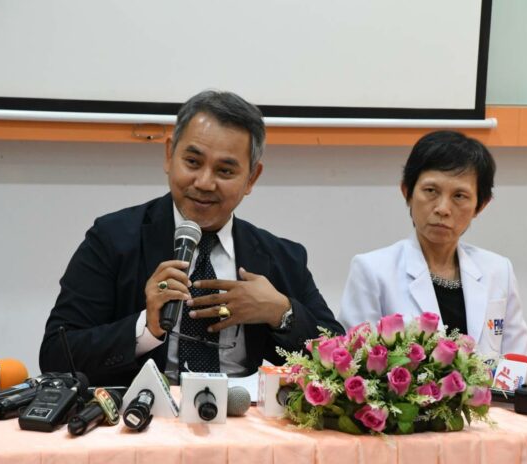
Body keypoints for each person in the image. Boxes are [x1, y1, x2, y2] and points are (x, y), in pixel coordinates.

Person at [40, 90, 344, 386]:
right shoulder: (113, 239)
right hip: (144, 422)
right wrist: (146, 328)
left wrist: (281, 312)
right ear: (169, 155)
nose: (204, 182)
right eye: (193, 163)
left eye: (225, 171)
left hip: (241, 424)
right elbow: (56, 354)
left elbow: (342, 359)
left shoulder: (280, 257)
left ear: (251, 178)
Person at [339, 130, 527, 361]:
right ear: (407, 192)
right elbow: (357, 366)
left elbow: (518, 360)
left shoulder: (499, 270)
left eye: (459, 196)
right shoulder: (372, 270)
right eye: (431, 191)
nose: (442, 208)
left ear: (480, 206)